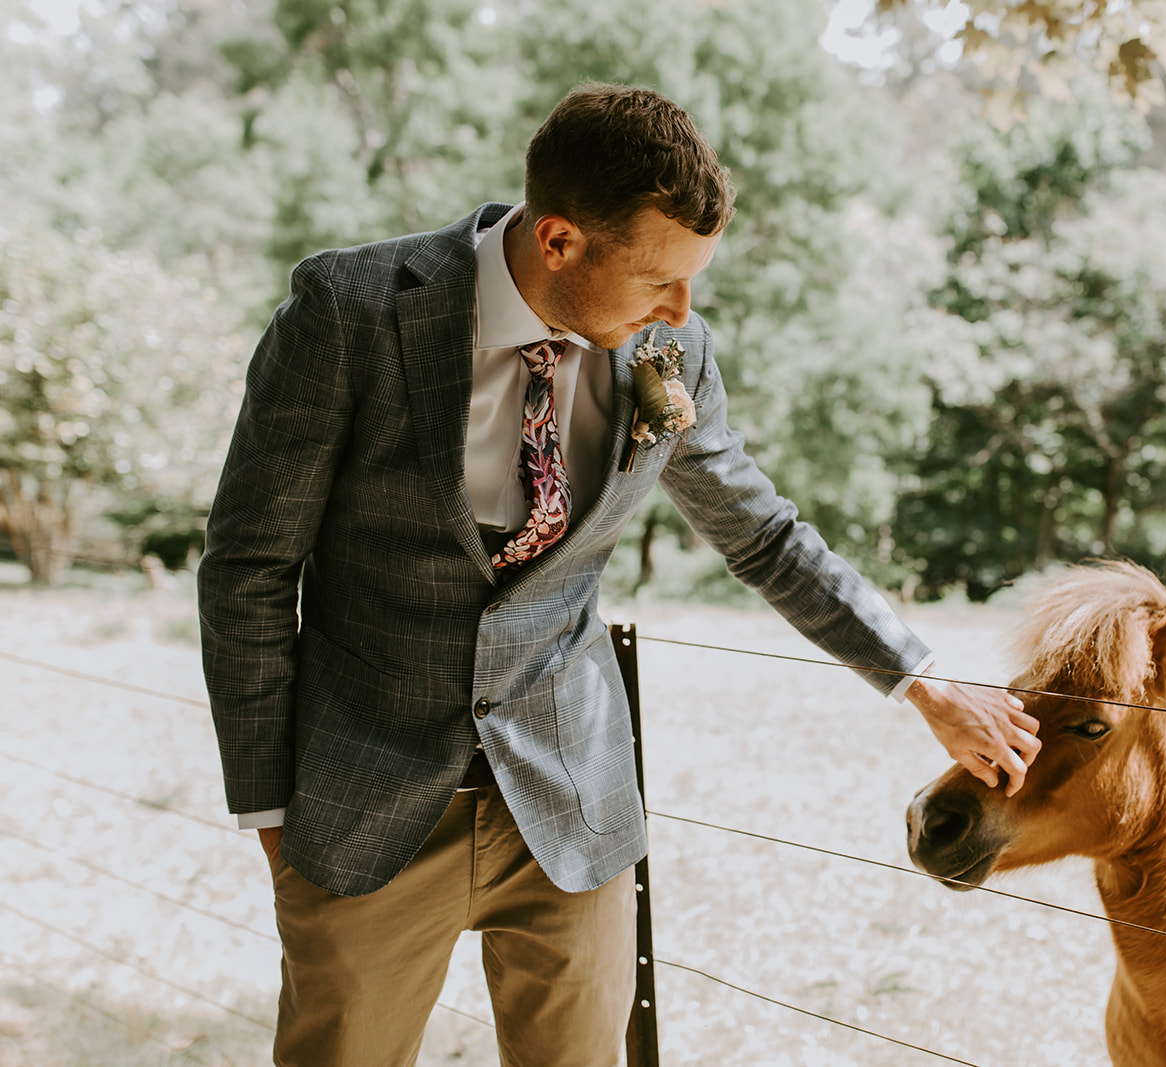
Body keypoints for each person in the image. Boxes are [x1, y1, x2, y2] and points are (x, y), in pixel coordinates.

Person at [198, 81, 1040, 1067]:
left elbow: (759, 531)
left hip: (568, 806)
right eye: (658, 282)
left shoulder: (668, 347)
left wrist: (920, 680)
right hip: (362, 803)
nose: (681, 313)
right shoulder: (347, 311)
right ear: (558, 241)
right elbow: (251, 563)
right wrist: (268, 802)